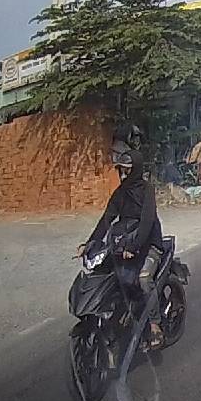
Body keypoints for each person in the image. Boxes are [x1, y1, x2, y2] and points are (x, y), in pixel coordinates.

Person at [79, 145, 165, 347]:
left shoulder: (147, 191)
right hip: (125, 244)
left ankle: (155, 326)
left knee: (144, 279)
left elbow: (146, 223)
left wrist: (134, 247)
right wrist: (90, 243)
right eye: (121, 171)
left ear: (136, 170)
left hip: (149, 245)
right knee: (109, 275)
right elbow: (106, 220)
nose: (124, 176)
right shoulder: (120, 193)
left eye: (128, 171)